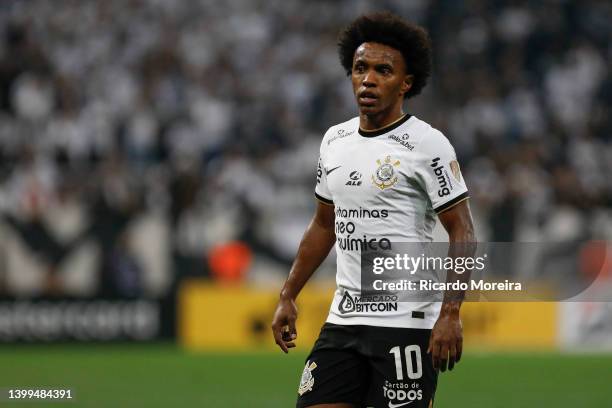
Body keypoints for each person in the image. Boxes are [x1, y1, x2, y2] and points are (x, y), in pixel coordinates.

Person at [271, 12, 476, 408]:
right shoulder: (335, 140)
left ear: (406, 83)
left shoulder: (428, 144)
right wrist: (288, 294)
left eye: (383, 70)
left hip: (405, 325)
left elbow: (462, 230)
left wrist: (450, 313)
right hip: (343, 320)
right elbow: (322, 225)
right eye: (360, 68)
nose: (368, 79)